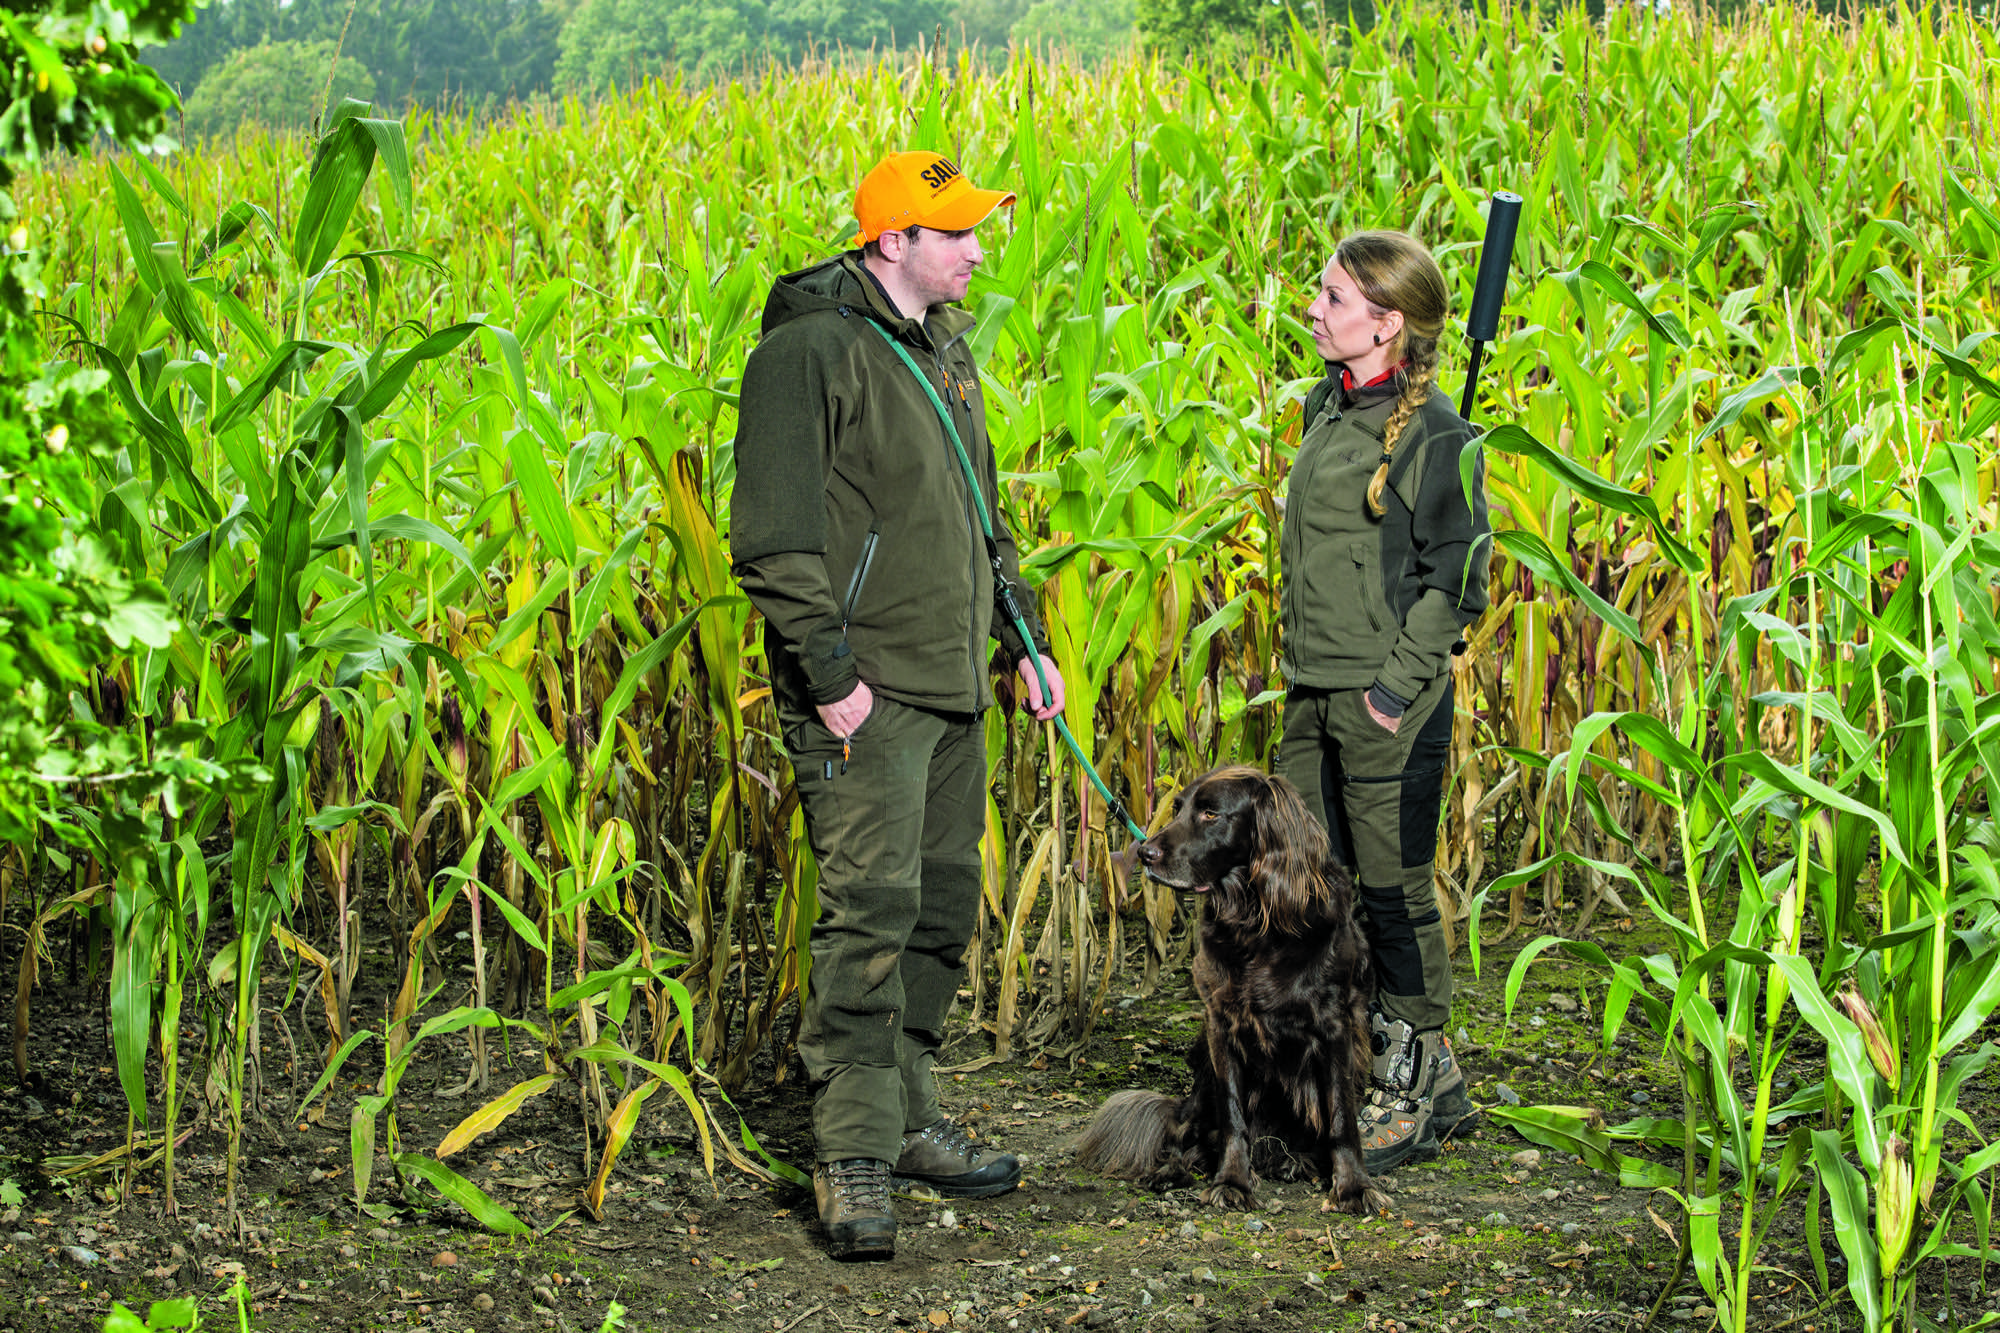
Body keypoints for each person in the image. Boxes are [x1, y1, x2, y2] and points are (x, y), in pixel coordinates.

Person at [729, 151, 1065, 1261]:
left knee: (936, 915)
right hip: (866, 702)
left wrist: (1023, 643)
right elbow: (771, 540)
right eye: (956, 232)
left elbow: (983, 518)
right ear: (891, 244)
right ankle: (851, 1152)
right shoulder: (808, 352)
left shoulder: (944, 351)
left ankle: (908, 1114)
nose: (976, 248)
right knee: (868, 922)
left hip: (952, 687)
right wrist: (832, 681)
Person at [1275, 230, 1492, 1173]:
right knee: (1315, 886)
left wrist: (1391, 691)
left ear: (1386, 322)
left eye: (1331, 298)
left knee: (1394, 892)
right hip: (1312, 694)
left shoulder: (1440, 434)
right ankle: (1376, 1064)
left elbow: (1455, 582)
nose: (1313, 310)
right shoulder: (1333, 410)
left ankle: (1415, 1071)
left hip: (1383, 703)